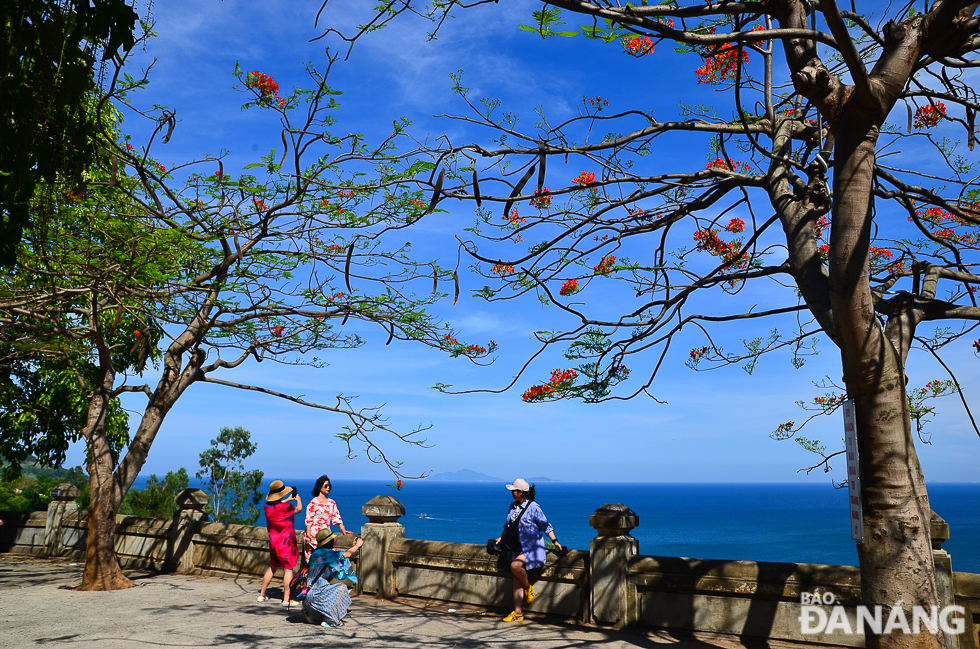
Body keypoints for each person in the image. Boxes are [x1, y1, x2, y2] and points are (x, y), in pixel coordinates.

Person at [493, 478, 566, 622]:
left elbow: (546, 526)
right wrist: (501, 538)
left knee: (515, 566)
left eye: (514, 490)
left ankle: (528, 587)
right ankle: (518, 612)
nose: (512, 493)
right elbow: (508, 526)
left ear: (520, 492)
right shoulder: (513, 506)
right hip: (517, 547)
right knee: (515, 577)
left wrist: (555, 542)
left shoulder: (534, 507)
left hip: (532, 548)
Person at [302, 529, 364, 627]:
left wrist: (351, 547)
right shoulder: (326, 553)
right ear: (329, 542)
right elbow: (346, 554)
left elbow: (340, 557)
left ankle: (311, 614)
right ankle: (330, 620)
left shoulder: (316, 553)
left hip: (306, 597)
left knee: (329, 591)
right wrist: (357, 545)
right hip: (315, 595)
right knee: (342, 588)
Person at [258, 480, 302, 605]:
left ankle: (262, 594)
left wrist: (287, 500)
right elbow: (298, 510)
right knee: (288, 569)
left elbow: (276, 505)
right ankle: (286, 599)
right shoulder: (286, 507)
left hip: (273, 543)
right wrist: (297, 500)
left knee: (272, 568)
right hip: (286, 544)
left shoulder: (267, 507)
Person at [305, 474, 352, 560]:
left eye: (329, 485)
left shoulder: (332, 503)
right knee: (313, 563)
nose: (328, 488)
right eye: (326, 486)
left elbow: (336, 516)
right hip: (314, 537)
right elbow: (308, 521)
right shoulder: (313, 502)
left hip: (326, 537)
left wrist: (343, 529)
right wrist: (308, 536)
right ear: (320, 487)